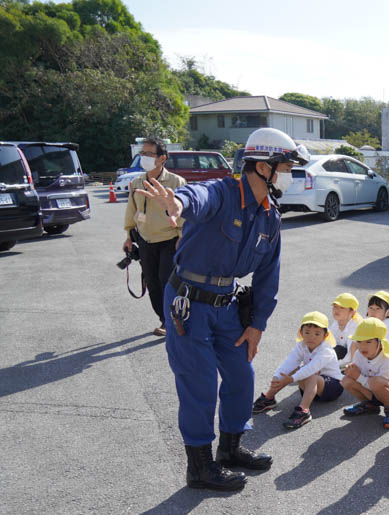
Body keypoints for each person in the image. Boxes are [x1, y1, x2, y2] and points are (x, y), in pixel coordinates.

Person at [135, 127, 308, 490]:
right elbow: (196, 197)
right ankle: (199, 466)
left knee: (241, 377)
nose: (290, 174)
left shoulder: (269, 215)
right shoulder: (222, 192)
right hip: (188, 303)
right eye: (286, 166)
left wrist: (257, 324)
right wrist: (177, 203)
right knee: (198, 383)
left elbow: (267, 275)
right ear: (263, 167)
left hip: (228, 306)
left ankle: (230, 448)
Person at [122, 136, 186, 337]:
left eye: (149, 154)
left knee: (167, 282)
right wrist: (128, 236)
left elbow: (185, 212)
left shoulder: (176, 182)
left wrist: (181, 237)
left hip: (169, 241)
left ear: (162, 158)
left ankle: (172, 320)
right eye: (142, 154)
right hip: (145, 241)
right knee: (151, 282)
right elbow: (131, 210)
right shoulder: (137, 182)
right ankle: (164, 319)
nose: (144, 158)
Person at [251, 311, 342, 429]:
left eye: (317, 333)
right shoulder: (301, 346)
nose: (311, 337)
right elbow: (289, 363)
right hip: (311, 387)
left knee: (309, 374)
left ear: (325, 336)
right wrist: (277, 377)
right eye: (307, 332)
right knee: (291, 370)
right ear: (301, 332)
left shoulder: (326, 351)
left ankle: (304, 411)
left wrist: (291, 380)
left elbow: (311, 368)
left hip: (333, 387)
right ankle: (269, 398)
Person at [341, 317, 389, 429]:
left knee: (375, 382)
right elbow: (359, 376)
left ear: (380, 343)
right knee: (346, 381)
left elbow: (377, 385)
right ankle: (369, 405)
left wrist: (357, 376)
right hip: (372, 386)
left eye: (368, 341)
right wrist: (351, 370)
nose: (362, 346)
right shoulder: (358, 354)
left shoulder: (388, 361)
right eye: (359, 341)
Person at [366, 290, 389, 358]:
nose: (373, 311)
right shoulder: (369, 322)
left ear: (387, 312)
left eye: (378, 308)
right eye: (371, 308)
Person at [330, 292, 362, 366]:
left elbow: (351, 356)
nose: (337, 310)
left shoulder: (356, 326)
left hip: (352, 364)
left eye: (342, 307)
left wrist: (332, 365)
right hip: (340, 357)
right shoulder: (335, 324)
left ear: (352, 312)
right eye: (335, 306)